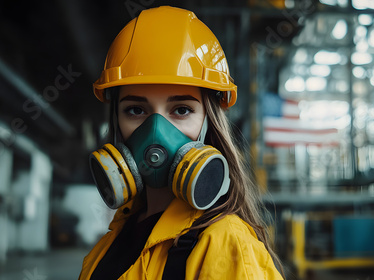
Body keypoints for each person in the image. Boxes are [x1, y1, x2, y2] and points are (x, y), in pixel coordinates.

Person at [79, 6, 284, 280]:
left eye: (182, 109)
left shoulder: (225, 244)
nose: (156, 132)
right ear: (116, 122)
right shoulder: (113, 239)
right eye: (136, 110)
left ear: (209, 122)